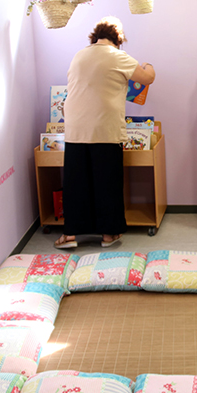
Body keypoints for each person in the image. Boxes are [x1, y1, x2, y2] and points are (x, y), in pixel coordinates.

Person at [54, 16, 155, 249]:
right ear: (118, 39)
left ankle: (70, 235)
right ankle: (109, 235)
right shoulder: (118, 56)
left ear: (95, 36)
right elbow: (147, 77)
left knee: (76, 182)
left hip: (75, 128)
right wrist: (148, 66)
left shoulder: (79, 54)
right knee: (106, 182)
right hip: (104, 127)